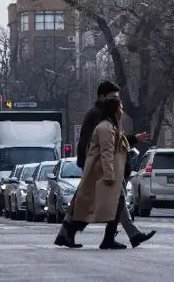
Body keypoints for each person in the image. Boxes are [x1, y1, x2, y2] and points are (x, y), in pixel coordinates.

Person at [54, 81, 155, 248]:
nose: (117, 102)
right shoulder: (99, 117)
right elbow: (96, 144)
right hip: (100, 169)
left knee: (98, 203)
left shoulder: (109, 118)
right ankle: (115, 237)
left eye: (117, 98)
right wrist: (92, 167)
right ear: (102, 97)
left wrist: (134, 139)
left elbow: (115, 142)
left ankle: (68, 235)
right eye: (113, 98)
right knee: (89, 203)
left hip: (106, 168)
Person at [65, 97, 130, 249]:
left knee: (110, 206)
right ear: (113, 110)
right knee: (96, 206)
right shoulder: (105, 128)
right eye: (119, 108)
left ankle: (103, 238)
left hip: (104, 173)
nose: (121, 112)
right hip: (101, 174)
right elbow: (106, 152)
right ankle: (71, 231)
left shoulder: (111, 126)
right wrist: (109, 175)